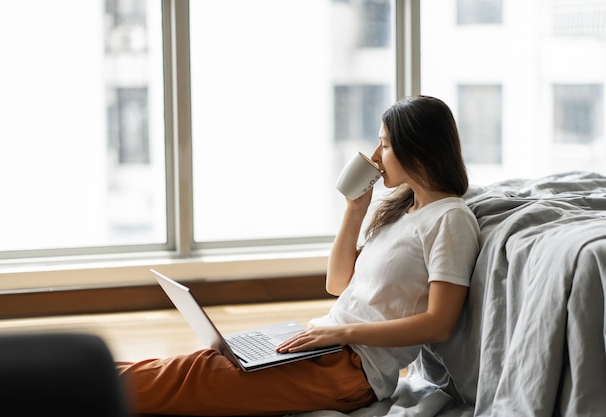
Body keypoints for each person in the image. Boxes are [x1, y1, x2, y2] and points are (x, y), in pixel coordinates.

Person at [117, 95, 480, 416]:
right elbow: (338, 284)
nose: (373, 156)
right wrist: (354, 210)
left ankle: (75, 387)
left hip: (352, 370)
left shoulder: (450, 218)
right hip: (325, 346)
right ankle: (76, 380)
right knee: (191, 366)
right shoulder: (403, 210)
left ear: (416, 151)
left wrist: (341, 333)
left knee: (182, 381)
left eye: (383, 145)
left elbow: (439, 322)